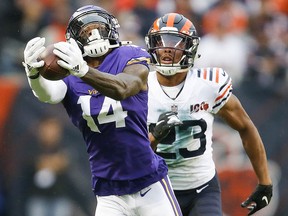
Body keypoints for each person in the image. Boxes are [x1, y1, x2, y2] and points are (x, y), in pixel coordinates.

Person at [22, 5, 182, 216]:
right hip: (109, 191)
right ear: (74, 40)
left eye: (99, 28)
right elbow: (48, 95)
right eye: (87, 32)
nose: (95, 35)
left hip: (149, 182)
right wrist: (34, 76)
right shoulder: (69, 71)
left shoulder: (130, 54)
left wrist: (84, 71)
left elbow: (124, 87)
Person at [145, 13, 273, 216]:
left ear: (190, 48)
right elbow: (130, 152)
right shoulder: (139, 88)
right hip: (155, 187)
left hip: (201, 187)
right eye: (160, 41)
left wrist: (265, 181)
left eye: (175, 42)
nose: (166, 48)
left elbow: (246, 126)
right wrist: (154, 138)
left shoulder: (208, 85)